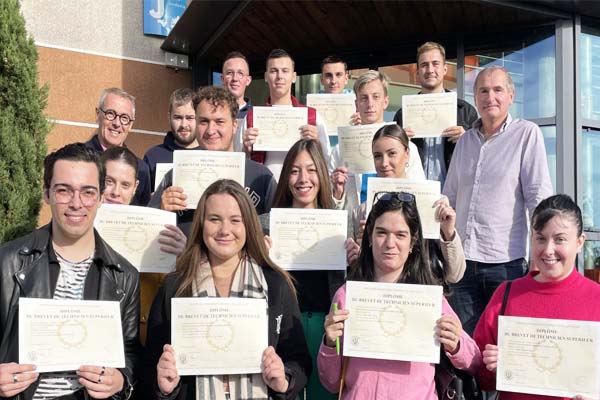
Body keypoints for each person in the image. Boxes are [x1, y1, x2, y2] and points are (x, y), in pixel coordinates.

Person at [145, 179, 312, 399]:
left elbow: (299, 359)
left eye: (235, 220)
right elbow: (149, 364)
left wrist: (284, 379)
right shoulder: (175, 286)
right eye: (214, 219)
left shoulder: (274, 284)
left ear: (248, 225)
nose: (225, 230)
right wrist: (165, 386)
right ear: (201, 224)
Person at [0, 143, 139, 400]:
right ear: (46, 194)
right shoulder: (7, 262)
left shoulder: (124, 275)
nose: (76, 203)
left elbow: (130, 352)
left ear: (100, 197)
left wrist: (121, 378)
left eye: (87, 192)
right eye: (64, 191)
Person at [317, 191, 481, 399]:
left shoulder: (429, 299)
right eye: (381, 232)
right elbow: (331, 383)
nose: (390, 243)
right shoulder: (347, 297)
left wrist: (456, 343)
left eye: (400, 235)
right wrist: (330, 344)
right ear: (369, 237)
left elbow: (473, 361)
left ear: (412, 243)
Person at [443, 66, 553, 335]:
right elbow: (450, 198)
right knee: (466, 350)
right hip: (463, 265)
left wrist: (537, 256)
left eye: (497, 90)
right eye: (483, 90)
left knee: (506, 347)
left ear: (511, 96)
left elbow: (538, 200)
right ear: (475, 97)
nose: (489, 96)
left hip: (506, 265)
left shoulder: (527, 134)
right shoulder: (465, 142)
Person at [473, 194, 599, 400]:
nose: (548, 250)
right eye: (540, 238)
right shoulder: (507, 295)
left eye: (560, 239)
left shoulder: (596, 299)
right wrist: (491, 367)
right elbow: (480, 378)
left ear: (579, 242)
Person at [258, 139, 349, 400]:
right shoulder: (265, 225)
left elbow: (352, 283)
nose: (303, 179)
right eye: (295, 171)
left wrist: (353, 259)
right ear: (286, 176)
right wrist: (258, 257)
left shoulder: (338, 225)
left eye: (310, 170)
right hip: (282, 328)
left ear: (321, 173)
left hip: (325, 325)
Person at [149, 85, 277, 237]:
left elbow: (277, 232)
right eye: (203, 121)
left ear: (235, 125)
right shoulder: (176, 174)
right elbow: (149, 231)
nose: (210, 130)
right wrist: (161, 211)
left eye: (219, 121)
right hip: (187, 260)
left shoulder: (261, 177)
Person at [350, 124, 465, 285]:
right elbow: (359, 271)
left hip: (423, 297)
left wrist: (448, 233)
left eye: (392, 154)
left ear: (407, 154)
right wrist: (362, 245)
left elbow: (455, 273)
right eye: (377, 156)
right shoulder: (363, 211)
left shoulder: (435, 203)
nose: (384, 163)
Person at [101, 147, 186, 344]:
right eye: (109, 182)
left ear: (135, 188)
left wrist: (184, 257)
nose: (115, 192)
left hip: (140, 341)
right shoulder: (79, 229)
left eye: (125, 185)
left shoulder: (154, 229)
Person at [328, 70, 424, 214]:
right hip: (355, 229)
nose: (370, 104)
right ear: (356, 104)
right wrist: (337, 192)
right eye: (364, 98)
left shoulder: (407, 147)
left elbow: (419, 193)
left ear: (385, 101)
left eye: (376, 97)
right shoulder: (340, 150)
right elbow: (330, 204)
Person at [393, 41, 478, 186]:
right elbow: (392, 159)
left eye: (435, 63)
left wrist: (467, 140)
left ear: (445, 69)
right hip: (414, 196)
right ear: (418, 71)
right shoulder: (403, 114)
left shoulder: (466, 111)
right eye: (424, 65)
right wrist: (398, 143)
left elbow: (481, 156)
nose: (430, 69)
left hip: (453, 196)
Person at [242, 48, 331, 180]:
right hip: (265, 189)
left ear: (294, 77)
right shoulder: (251, 117)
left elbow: (328, 162)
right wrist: (246, 149)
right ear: (266, 77)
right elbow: (240, 164)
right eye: (274, 71)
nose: (279, 76)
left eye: (285, 71)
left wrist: (316, 144)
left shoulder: (312, 116)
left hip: (302, 189)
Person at [85, 87, 152, 206]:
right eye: (110, 114)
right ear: (97, 114)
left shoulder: (141, 169)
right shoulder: (77, 159)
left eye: (124, 118)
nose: (117, 123)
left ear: (131, 124)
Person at [143, 88, 200, 190]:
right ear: (169, 117)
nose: (183, 124)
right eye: (178, 118)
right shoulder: (153, 156)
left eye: (190, 118)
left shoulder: (211, 155)